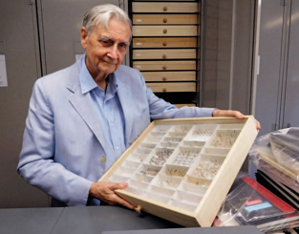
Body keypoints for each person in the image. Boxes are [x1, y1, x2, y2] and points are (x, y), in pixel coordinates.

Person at [17, 4, 260, 209]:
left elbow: (169, 114)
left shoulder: (132, 79)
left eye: (122, 45)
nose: (114, 54)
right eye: (106, 42)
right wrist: (90, 189)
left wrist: (216, 115)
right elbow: (33, 164)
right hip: (82, 208)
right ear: (84, 37)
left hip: (138, 202)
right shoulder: (49, 89)